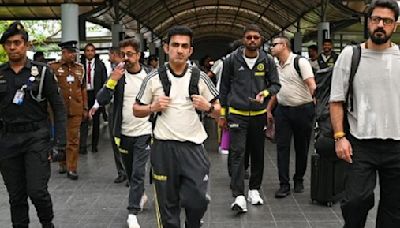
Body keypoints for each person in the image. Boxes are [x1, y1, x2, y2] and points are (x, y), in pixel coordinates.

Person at [133, 25, 220, 228]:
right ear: (166, 48)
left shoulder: (200, 77)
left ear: (190, 50)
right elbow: (136, 109)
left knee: (197, 199)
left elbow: (219, 110)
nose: (179, 50)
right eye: (175, 45)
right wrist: (153, 107)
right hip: (163, 148)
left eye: (184, 46)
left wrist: (207, 107)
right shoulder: (153, 78)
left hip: (193, 148)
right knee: (167, 206)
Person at [330, 0, 400, 227]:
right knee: (355, 202)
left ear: (395, 26)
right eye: (376, 19)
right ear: (368, 22)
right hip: (360, 143)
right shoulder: (351, 55)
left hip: (397, 146)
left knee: (394, 210)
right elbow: (336, 101)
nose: (380, 24)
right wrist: (340, 137)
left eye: (387, 21)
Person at [0, 21, 66, 228]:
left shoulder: (43, 72)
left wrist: (59, 144)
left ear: (26, 45)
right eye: (9, 43)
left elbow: (59, 108)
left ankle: (47, 223)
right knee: (16, 196)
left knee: (37, 191)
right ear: (4, 47)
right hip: (8, 141)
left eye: (17, 42)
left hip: (36, 139)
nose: (13, 47)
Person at [219, 24, 281, 213]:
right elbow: (223, 89)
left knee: (258, 154)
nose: (252, 40)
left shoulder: (267, 60)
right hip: (237, 114)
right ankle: (238, 195)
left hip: (258, 116)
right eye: (249, 37)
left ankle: (254, 190)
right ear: (243, 39)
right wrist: (223, 115)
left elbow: (276, 85)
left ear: (261, 39)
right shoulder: (231, 60)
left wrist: (265, 92)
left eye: (256, 37)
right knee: (237, 154)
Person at [94, 39, 152, 228]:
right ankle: (140, 194)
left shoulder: (149, 76)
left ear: (139, 55)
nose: (127, 58)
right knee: (129, 172)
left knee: (137, 173)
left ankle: (132, 212)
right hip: (123, 132)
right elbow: (101, 99)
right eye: (124, 54)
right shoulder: (119, 76)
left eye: (130, 54)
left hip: (145, 131)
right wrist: (112, 80)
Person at [269, 35, 316, 198]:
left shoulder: (300, 62)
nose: (271, 48)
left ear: (283, 45)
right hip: (283, 111)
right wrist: (269, 110)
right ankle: (284, 184)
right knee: (282, 147)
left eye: (274, 45)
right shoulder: (275, 65)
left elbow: (311, 84)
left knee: (301, 147)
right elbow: (276, 90)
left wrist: (319, 108)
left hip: (303, 109)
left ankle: (299, 179)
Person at [49, 40, 87, 180]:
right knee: (61, 137)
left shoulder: (80, 68)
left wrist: (85, 107)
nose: (73, 55)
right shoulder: (53, 67)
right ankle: (62, 163)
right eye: (70, 52)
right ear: (63, 53)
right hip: (59, 109)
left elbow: (82, 88)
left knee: (73, 139)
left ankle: (72, 168)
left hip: (76, 108)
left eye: (74, 52)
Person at [80, 43, 107, 154]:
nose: (90, 52)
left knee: (95, 121)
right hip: (84, 94)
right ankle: (83, 145)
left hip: (96, 94)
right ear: (85, 52)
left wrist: (102, 97)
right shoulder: (80, 65)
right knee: (84, 120)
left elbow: (104, 81)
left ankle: (94, 145)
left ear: (94, 52)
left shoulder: (100, 65)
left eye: (92, 50)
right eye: (88, 50)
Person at [106, 47, 127, 184]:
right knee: (115, 140)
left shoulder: (127, 71)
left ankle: (127, 171)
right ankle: (121, 171)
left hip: (124, 108)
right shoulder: (112, 69)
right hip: (112, 108)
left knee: (123, 140)